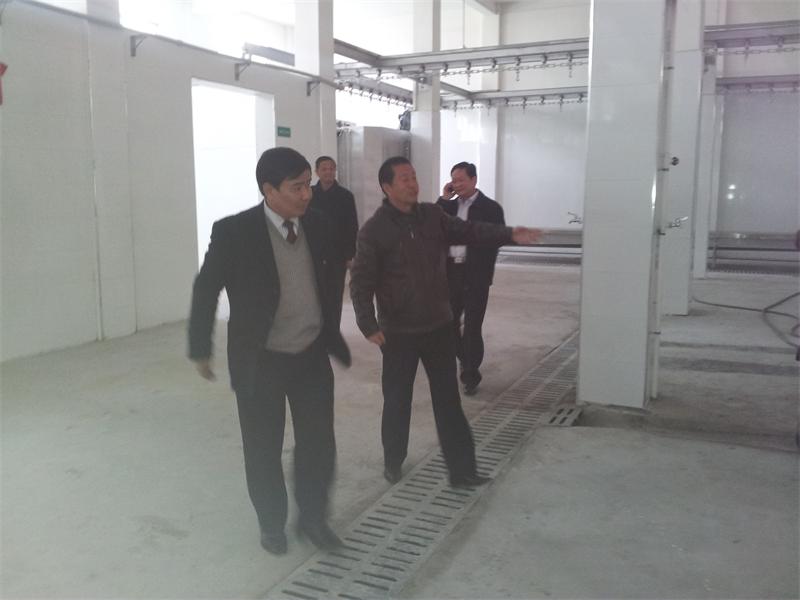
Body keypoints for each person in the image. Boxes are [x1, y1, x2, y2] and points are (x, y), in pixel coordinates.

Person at [188, 147, 351, 556]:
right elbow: (207, 288)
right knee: (263, 447)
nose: (307, 194)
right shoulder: (234, 232)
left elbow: (329, 279)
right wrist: (200, 347)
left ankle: (313, 519)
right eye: (297, 187)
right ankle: (271, 523)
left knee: (318, 444)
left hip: (310, 354)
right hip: (260, 359)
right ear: (269, 190)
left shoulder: (318, 224)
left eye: (308, 185)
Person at [349, 156, 540, 487]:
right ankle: (393, 460)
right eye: (405, 178)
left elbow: (471, 230)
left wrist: (509, 234)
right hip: (398, 332)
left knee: (449, 403)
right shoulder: (374, 230)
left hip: (438, 325)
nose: (413, 183)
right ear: (387, 187)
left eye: (414, 176)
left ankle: (462, 471)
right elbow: (361, 281)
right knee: (397, 401)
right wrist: (368, 324)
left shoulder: (433, 216)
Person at [437, 162, 506, 396]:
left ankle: (470, 374)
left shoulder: (490, 208)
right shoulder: (449, 207)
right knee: (448, 324)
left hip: (476, 275)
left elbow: (497, 239)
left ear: (474, 180)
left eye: (461, 180)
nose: (457, 184)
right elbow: (431, 226)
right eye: (454, 180)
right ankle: (464, 358)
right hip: (451, 273)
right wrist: (444, 200)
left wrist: (481, 262)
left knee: (472, 326)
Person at [310, 156, 359, 326]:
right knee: (315, 294)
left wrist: (350, 255)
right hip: (314, 253)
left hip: (337, 254)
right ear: (317, 172)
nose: (328, 172)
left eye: (331, 168)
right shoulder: (309, 194)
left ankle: (333, 332)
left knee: (335, 294)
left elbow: (352, 226)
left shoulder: (345, 196)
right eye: (324, 169)